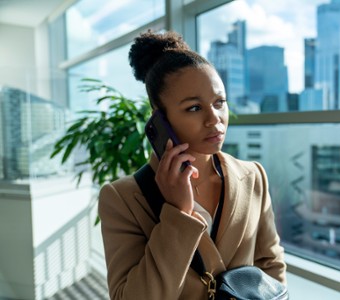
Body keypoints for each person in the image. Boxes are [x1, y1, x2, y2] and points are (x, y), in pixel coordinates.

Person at [98, 30, 287, 299]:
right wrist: (178, 213)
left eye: (219, 103)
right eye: (194, 108)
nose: (215, 120)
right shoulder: (123, 198)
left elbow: (271, 265)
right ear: (159, 118)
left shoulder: (253, 176)